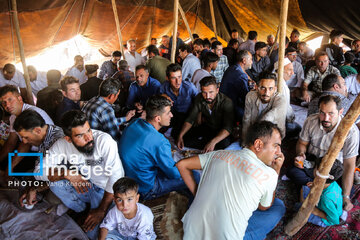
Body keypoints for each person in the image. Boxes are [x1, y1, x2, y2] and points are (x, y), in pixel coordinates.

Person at [176, 121, 285, 240]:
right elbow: (264, 207)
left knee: (204, 183)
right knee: (278, 206)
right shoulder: (269, 174)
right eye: (275, 146)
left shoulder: (219, 154)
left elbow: (182, 164)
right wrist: (276, 170)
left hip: (191, 230)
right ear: (258, 144)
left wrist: (198, 194)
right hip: (226, 237)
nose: (279, 152)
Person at [34, 110, 125, 240]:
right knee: (55, 183)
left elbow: (117, 179)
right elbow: (38, 172)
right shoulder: (62, 144)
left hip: (106, 191)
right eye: (80, 135)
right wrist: (65, 173)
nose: (89, 138)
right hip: (87, 184)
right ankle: (82, 210)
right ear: (68, 139)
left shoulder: (104, 141)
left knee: (94, 235)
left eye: (89, 130)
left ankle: (93, 211)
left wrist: (101, 210)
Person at [287, 95, 359, 211]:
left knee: (344, 193)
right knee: (293, 171)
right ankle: (319, 188)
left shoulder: (351, 132)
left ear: (340, 112)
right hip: (312, 164)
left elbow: (349, 165)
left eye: (331, 113)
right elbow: (302, 143)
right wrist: (301, 155)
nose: (325, 118)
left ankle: (313, 187)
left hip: (333, 171)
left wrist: (346, 196)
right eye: (322, 112)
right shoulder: (311, 121)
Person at [119, 95, 198, 200]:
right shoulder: (160, 141)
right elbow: (173, 174)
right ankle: (193, 208)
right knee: (194, 175)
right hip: (145, 189)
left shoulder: (135, 122)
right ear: (158, 118)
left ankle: (184, 192)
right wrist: (187, 164)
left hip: (130, 178)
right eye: (168, 113)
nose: (171, 115)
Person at [13, 110, 64, 207]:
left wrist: (35, 189)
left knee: (52, 199)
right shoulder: (44, 135)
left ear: (37, 130)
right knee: (28, 177)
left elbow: (61, 176)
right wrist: (30, 188)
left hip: (65, 177)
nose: (24, 141)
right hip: (51, 172)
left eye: (26, 137)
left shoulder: (58, 140)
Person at [0, 85, 53, 175]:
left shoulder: (30, 112)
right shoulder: (13, 117)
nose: (7, 105)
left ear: (19, 98)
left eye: (10, 100)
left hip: (45, 154)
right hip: (31, 151)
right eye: (3, 102)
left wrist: (10, 167)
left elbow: (26, 144)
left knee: (9, 168)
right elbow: (11, 142)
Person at [177, 77, 234, 152]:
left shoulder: (226, 102)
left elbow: (228, 128)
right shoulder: (199, 98)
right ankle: (208, 144)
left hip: (220, 131)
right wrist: (181, 135)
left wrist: (213, 142)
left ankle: (209, 144)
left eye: (211, 92)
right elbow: (190, 119)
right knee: (183, 138)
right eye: (204, 92)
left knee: (224, 144)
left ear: (217, 90)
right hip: (207, 128)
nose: (207, 96)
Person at [298, 158, 344, 227]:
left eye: (315, 167)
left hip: (325, 219)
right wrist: (315, 185)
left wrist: (316, 212)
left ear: (317, 172)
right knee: (305, 188)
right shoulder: (333, 183)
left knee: (300, 210)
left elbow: (335, 220)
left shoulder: (326, 199)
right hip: (331, 207)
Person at [242, 72, 287, 140]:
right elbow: (246, 120)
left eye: (270, 88)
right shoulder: (250, 96)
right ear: (256, 87)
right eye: (263, 88)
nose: (266, 93)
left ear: (275, 89)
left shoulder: (280, 100)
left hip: (272, 137)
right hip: (255, 133)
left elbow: (268, 118)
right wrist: (245, 140)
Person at [158, 63, 198, 138]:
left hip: (187, 117)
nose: (178, 81)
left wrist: (199, 115)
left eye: (179, 77)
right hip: (172, 116)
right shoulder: (163, 87)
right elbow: (156, 100)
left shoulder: (189, 87)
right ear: (167, 78)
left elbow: (200, 100)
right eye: (173, 78)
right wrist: (162, 96)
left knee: (180, 136)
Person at [220, 50, 252, 121]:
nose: (251, 62)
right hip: (232, 107)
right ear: (244, 60)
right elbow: (245, 97)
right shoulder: (240, 75)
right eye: (250, 59)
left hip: (223, 102)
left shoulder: (232, 68)